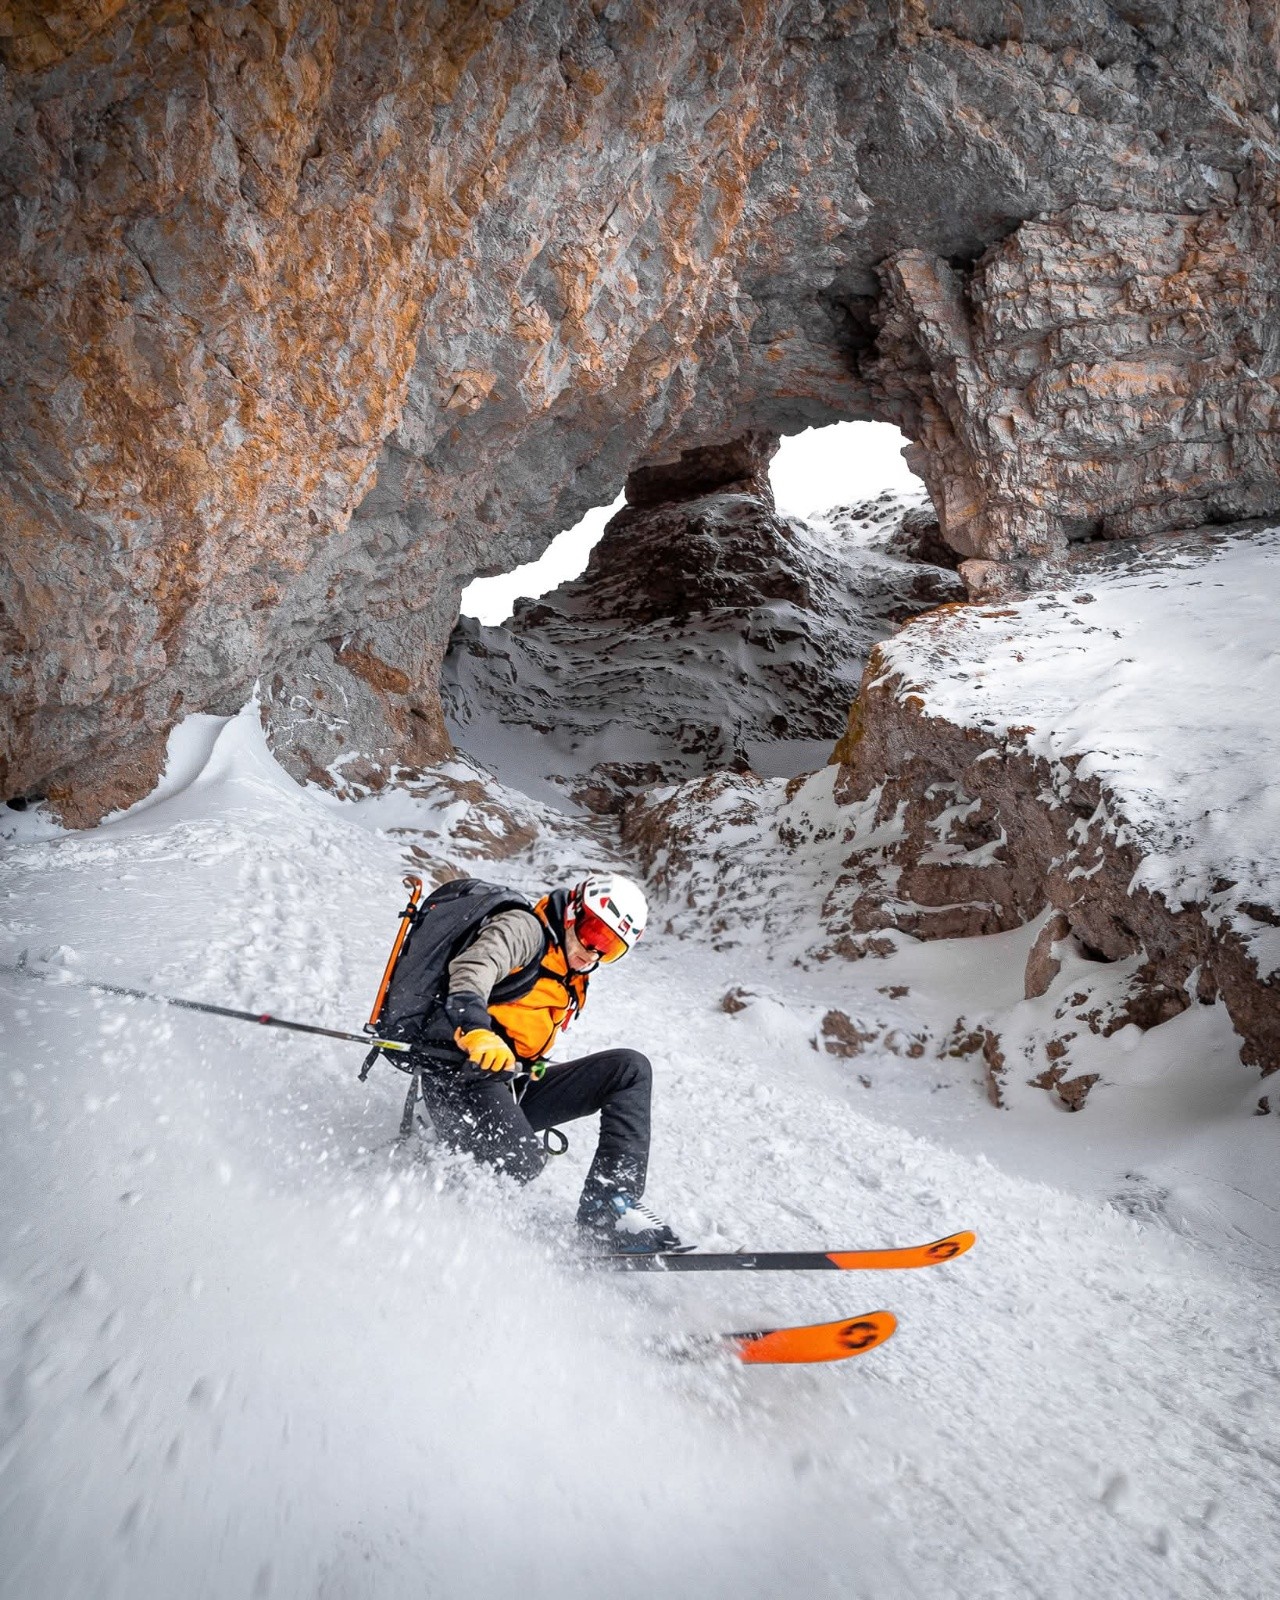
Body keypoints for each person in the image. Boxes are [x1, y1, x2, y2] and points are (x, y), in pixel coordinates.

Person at [404, 872, 682, 1254]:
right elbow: (473, 969)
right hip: (459, 1074)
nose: (594, 953)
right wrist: (477, 1030)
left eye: (610, 948)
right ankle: (458, 1219)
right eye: (594, 933)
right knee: (521, 1161)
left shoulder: (570, 969)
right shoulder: (524, 929)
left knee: (629, 1070)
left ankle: (608, 1211)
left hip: (507, 1082)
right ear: (573, 913)